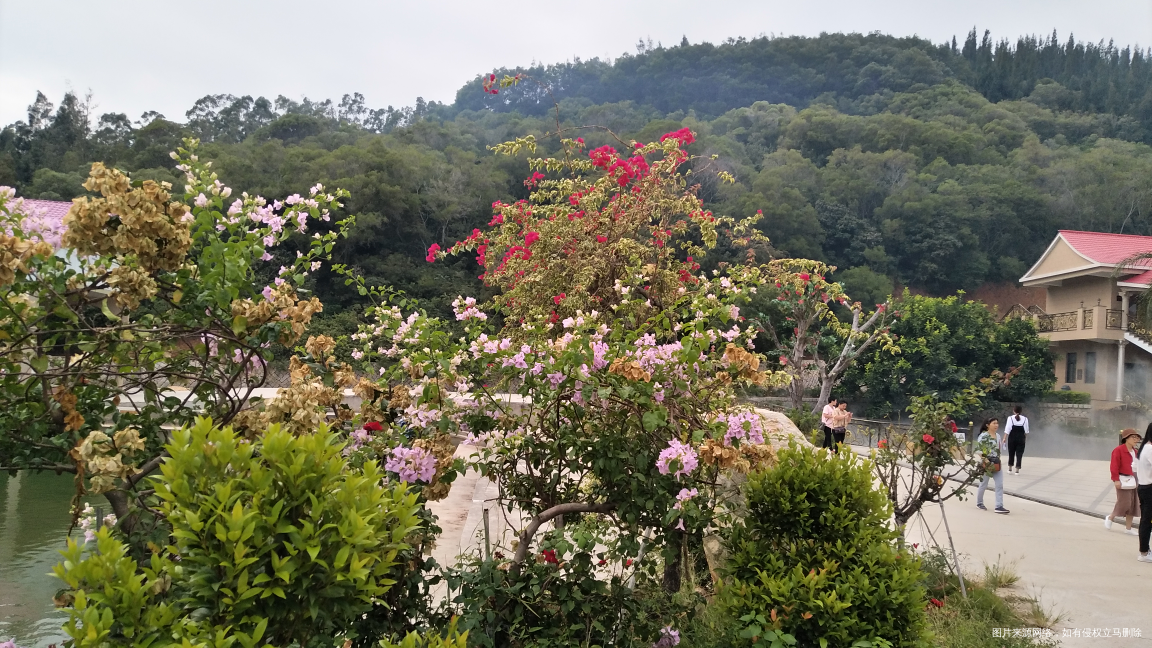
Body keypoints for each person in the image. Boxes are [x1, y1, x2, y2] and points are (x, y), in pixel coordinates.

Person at [1106, 429, 1142, 536]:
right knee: (1124, 502)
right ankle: (1111, 517)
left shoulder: (1135, 452)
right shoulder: (1118, 450)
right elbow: (1114, 466)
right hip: (1123, 478)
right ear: (1126, 438)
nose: (1136, 440)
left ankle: (1128, 528)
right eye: (1133, 437)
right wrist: (1116, 480)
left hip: (1134, 479)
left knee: (1133, 504)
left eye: (1137, 438)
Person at [975, 418, 1010, 514]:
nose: (996, 425)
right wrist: (986, 462)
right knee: (983, 484)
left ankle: (999, 506)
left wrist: (998, 461)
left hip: (996, 463)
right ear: (987, 425)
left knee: (999, 485)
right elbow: (979, 450)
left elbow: (999, 450)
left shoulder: (998, 436)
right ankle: (979, 503)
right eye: (994, 423)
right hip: (987, 463)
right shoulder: (984, 436)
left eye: (997, 423)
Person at [1137, 422, 1152, 563]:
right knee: (1147, 521)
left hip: (1143, 487)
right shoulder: (1150, 449)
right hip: (1149, 489)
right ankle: (1144, 552)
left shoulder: (1144, 448)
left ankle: (1145, 550)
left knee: (1146, 521)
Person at [1003, 406, 1029, 475]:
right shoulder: (1025, 419)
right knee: (1019, 454)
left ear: (1013, 410)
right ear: (1021, 411)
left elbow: (1007, 429)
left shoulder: (1010, 418)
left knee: (1011, 453)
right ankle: (1017, 470)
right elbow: (1026, 431)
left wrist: (1004, 438)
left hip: (1012, 437)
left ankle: (1010, 468)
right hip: (1021, 438)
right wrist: (1025, 439)